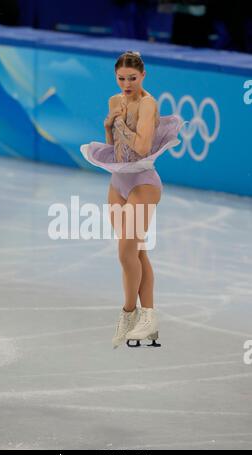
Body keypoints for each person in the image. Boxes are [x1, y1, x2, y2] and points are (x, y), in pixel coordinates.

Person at [80, 51, 184, 348]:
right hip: (118, 183)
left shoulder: (148, 105)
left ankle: (129, 313)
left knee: (125, 253)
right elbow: (116, 148)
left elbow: (140, 148)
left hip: (143, 183)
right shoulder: (115, 101)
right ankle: (147, 319)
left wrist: (121, 124)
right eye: (121, 78)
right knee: (136, 252)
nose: (126, 84)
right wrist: (107, 126)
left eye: (132, 78)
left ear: (143, 76)